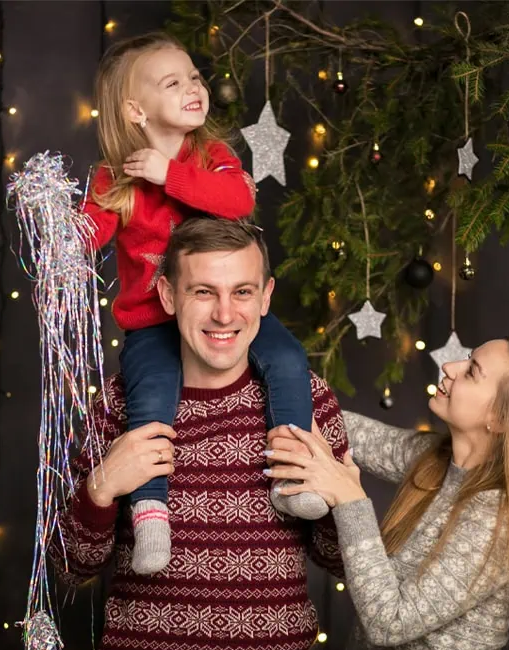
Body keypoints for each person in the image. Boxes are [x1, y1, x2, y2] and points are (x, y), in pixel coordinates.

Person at [50, 217, 348, 650]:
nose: (225, 315)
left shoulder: (309, 402)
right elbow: (70, 567)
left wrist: (340, 499)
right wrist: (100, 490)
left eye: (242, 292)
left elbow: (338, 561)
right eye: (203, 292)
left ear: (266, 296)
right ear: (169, 296)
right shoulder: (118, 402)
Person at [82, 31, 325, 576]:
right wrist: (58, 227)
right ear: (135, 109)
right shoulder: (115, 174)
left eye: (194, 76)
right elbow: (88, 235)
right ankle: (150, 511)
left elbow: (236, 200)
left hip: (220, 320)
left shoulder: (210, 156)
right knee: (150, 401)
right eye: (174, 82)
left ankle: (291, 474)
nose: (194, 87)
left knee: (286, 361)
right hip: (150, 322)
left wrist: (169, 175)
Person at [264, 336, 509, 650]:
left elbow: (389, 622)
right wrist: (279, 380)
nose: (450, 366)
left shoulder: (499, 521)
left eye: (472, 371)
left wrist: (350, 499)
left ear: (500, 418)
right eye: (467, 358)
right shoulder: (437, 459)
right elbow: (342, 428)